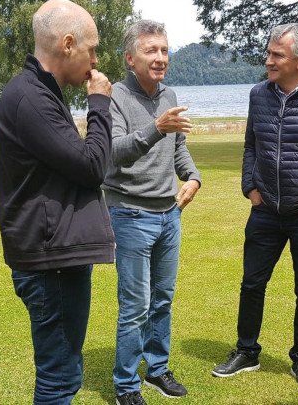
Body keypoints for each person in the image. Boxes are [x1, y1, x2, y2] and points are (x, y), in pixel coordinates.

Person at [212, 23, 298, 389]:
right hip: (265, 211)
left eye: (277, 55)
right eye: (268, 53)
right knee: (251, 284)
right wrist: (250, 187)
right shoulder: (259, 94)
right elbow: (251, 145)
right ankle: (246, 351)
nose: (268, 61)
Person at [0, 0, 115, 404]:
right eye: (91, 49)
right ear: (67, 44)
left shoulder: (39, 92)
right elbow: (92, 165)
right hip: (51, 263)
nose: (95, 60)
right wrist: (99, 103)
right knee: (60, 378)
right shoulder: (31, 98)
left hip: (53, 255)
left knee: (61, 372)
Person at [102, 20, 201, 405]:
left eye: (164, 50)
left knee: (163, 298)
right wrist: (157, 128)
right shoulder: (115, 97)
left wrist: (193, 177)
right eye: (151, 50)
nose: (160, 58)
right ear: (130, 58)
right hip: (129, 214)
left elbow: (178, 149)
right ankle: (126, 385)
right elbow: (113, 152)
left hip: (168, 215)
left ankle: (157, 369)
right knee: (135, 306)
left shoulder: (168, 94)